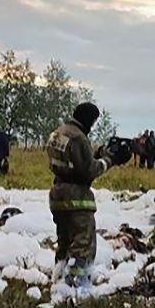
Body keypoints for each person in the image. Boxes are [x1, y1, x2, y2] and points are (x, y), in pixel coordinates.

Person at [46, 102, 119, 292]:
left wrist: (95, 154)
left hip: (57, 196)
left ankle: (58, 279)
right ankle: (76, 286)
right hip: (76, 198)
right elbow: (88, 171)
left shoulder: (57, 133)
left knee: (64, 241)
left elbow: (72, 161)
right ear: (89, 119)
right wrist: (109, 160)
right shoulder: (79, 138)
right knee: (83, 243)